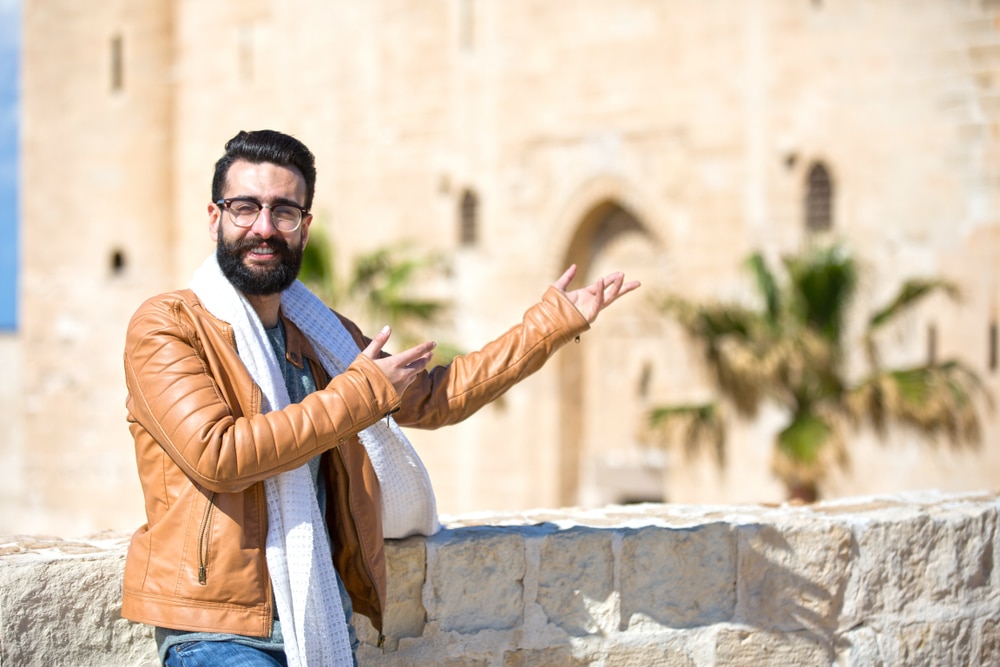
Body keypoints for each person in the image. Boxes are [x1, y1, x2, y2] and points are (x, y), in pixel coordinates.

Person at [121, 129, 640, 667]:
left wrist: (550, 325)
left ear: (304, 227)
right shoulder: (166, 326)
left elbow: (436, 396)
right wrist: (363, 391)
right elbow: (220, 456)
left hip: (323, 622)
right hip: (217, 632)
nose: (263, 227)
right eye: (245, 207)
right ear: (215, 217)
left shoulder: (318, 334)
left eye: (284, 211)